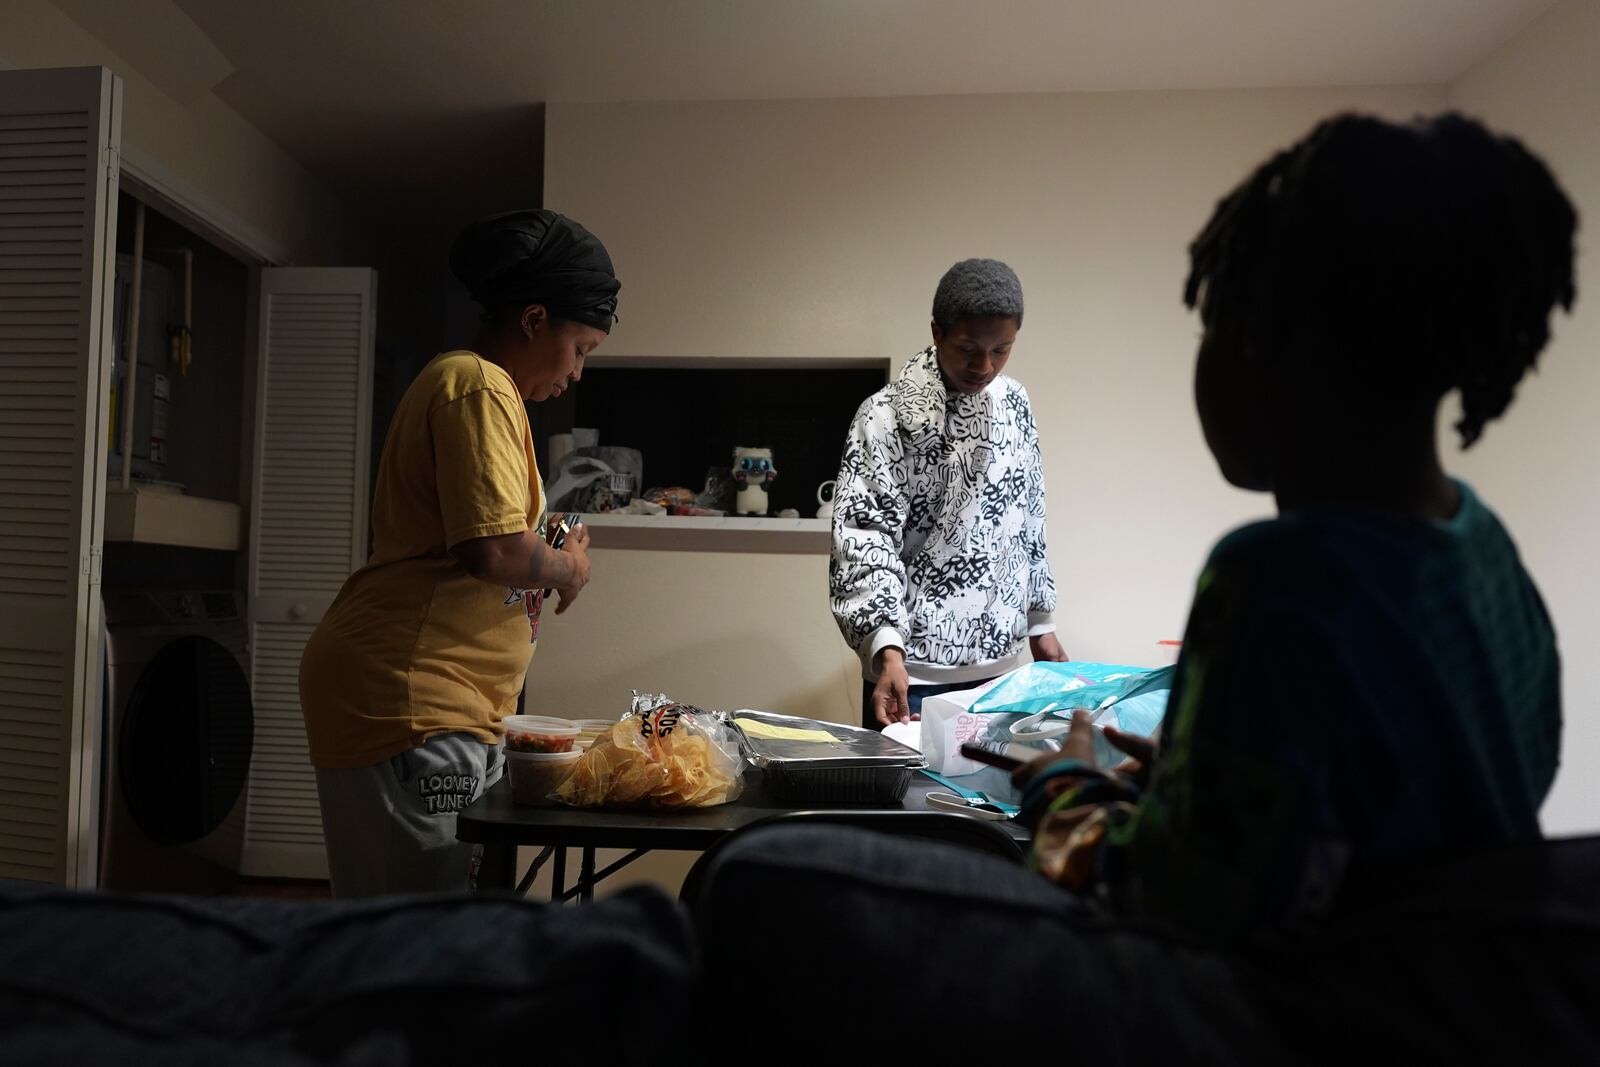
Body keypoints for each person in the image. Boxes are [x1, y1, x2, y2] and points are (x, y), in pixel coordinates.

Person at [1015, 110, 1576, 944]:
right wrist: (1189, 785)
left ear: (1274, 350)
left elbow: (1173, 902)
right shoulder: (1487, 550)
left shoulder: (1277, 577)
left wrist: (1068, 781)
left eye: (1215, 325)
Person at [298, 209, 618, 896]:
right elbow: (494, 551)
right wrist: (568, 566)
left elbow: (491, 535)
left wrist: (551, 541)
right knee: (413, 935)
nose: (578, 372)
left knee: (444, 920)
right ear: (535, 319)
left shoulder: (485, 392)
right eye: (581, 348)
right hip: (410, 697)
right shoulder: (476, 384)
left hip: (446, 698)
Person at [830, 258, 1066, 730]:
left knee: (990, 801)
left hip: (1002, 668)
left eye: (1002, 349)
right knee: (911, 803)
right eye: (968, 348)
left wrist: (1041, 623)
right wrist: (887, 651)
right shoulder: (884, 416)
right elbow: (863, 539)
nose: (985, 366)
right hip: (911, 672)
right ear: (937, 332)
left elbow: (1028, 517)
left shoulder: (1014, 403)